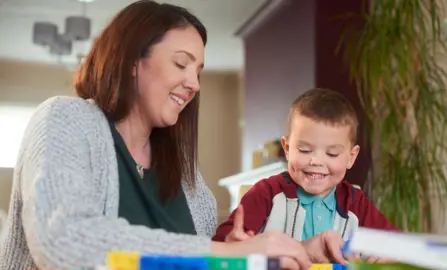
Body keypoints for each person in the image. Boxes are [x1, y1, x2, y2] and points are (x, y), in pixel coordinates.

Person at [0, 2, 345, 270]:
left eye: (198, 72)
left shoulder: (185, 173)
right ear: (132, 61)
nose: (194, 84)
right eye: (181, 64)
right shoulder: (66, 119)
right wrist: (226, 252)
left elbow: (195, 256)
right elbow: (64, 240)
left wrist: (288, 253)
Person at [213, 88, 401, 263]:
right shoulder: (266, 193)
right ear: (287, 149)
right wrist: (235, 246)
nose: (316, 161)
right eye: (304, 150)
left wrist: (390, 254)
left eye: (332, 154)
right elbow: (220, 246)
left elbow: (398, 244)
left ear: (351, 157)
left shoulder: (355, 202)